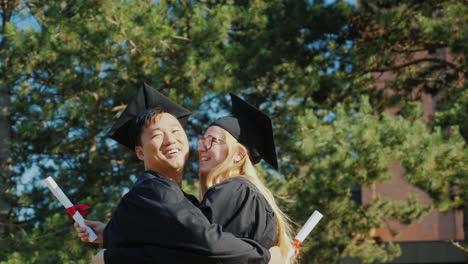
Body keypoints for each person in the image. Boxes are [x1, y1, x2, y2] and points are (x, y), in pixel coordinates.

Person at [79, 84, 271, 264]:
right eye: (156, 135)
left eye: (176, 131)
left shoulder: (180, 199)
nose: (170, 140)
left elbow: (168, 243)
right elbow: (207, 244)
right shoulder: (153, 189)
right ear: (140, 152)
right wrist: (267, 256)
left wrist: (109, 237)